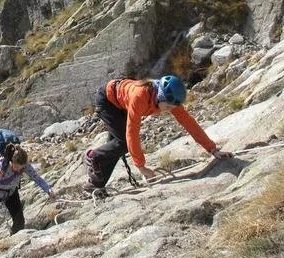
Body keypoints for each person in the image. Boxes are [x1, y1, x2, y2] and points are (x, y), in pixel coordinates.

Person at [85, 75, 232, 190]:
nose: (169, 109)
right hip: (108, 101)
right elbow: (132, 132)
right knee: (122, 143)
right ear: (160, 96)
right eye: (167, 106)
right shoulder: (140, 97)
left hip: (121, 102)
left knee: (115, 147)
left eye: (172, 107)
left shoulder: (170, 99)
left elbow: (189, 123)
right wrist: (141, 166)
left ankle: (96, 186)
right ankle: (93, 156)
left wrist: (212, 149)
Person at [0, 146, 56, 248]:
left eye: (21, 167)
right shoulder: (1, 164)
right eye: (16, 167)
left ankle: (14, 245)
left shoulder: (24, 165)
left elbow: (36, 177)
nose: (19, 170)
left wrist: (48, 189)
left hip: (11, 192)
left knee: (19, 221)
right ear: (11, 161)